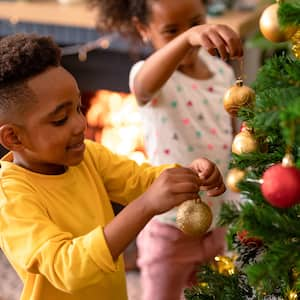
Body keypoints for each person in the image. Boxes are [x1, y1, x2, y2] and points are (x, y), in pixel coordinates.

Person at [0, 33, 226, 300]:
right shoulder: (11, 199)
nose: (80, 124)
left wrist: (187, 174)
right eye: (60, 119)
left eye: (79, 108)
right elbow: (68, 268)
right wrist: (145, 206)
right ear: (13, 137)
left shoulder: (88, 157)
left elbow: (139, 179)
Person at [89, 0, 243, 299]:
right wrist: (187, 37)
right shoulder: (149, 77)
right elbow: (143, 86)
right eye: (171, 31)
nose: (189, 35)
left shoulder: (222, 74)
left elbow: (229, 131)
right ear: (144, 29)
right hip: (169, 228)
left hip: (217, 217)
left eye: (196, 22)